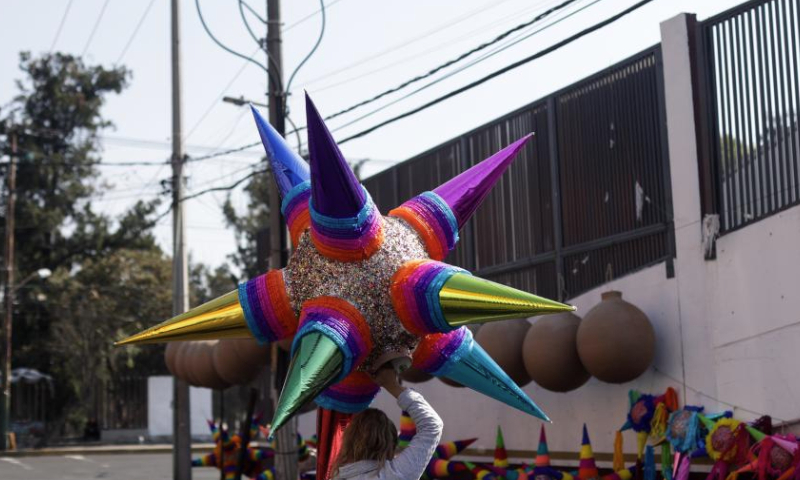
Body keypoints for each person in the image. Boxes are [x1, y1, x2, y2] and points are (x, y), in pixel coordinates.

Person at [331, 366, 443, 480]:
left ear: (347, 441)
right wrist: (391, 385)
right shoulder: (396, 473)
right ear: (391, 444)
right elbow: (432, 425)